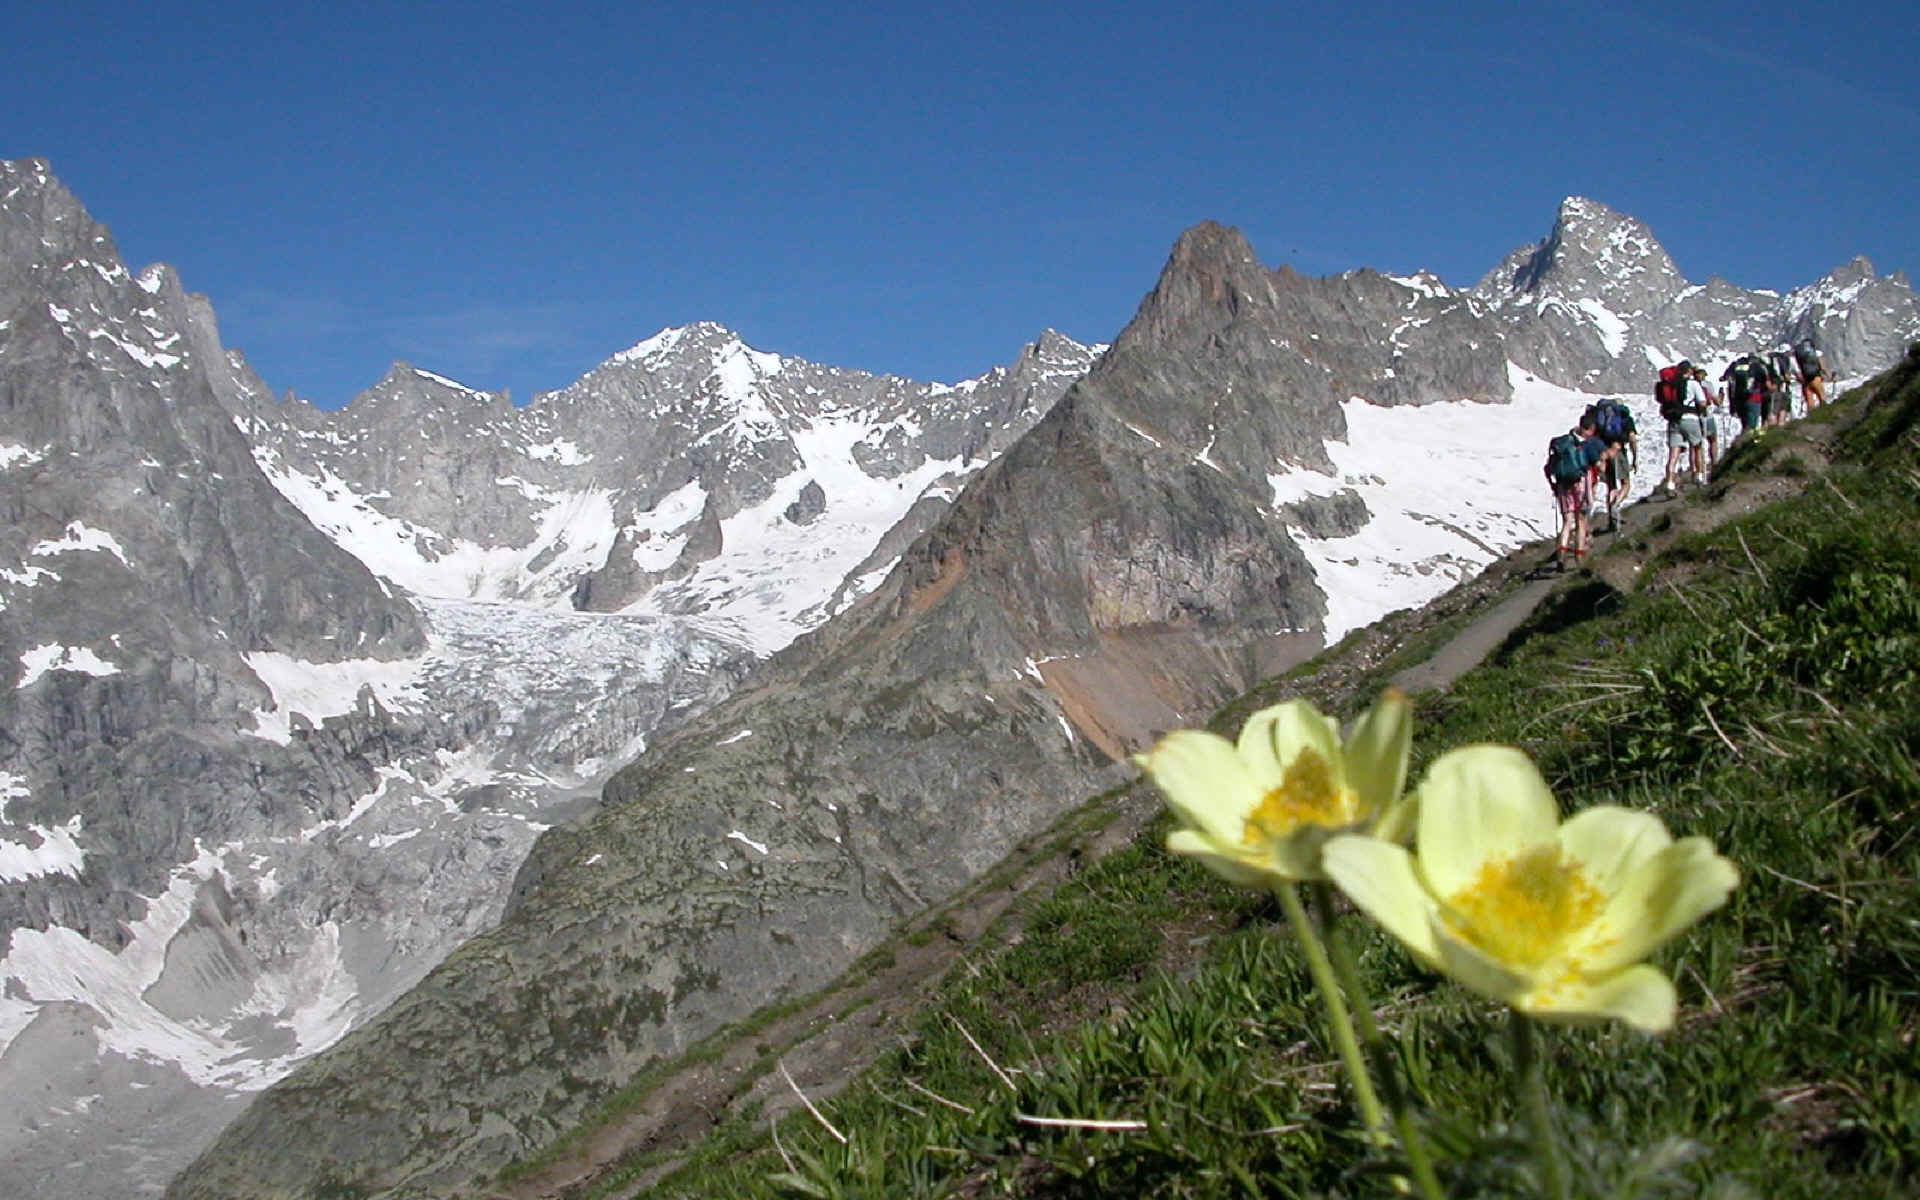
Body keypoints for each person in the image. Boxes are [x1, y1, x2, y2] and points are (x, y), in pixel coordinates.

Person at [1546, 413, 1613, 569]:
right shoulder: (1587, 445)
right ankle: (1579, 556)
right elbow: (1599, 467)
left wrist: (1553, 485)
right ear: (1591, 428)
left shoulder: (1564, 443)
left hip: (1563, 485)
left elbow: (1548, 468)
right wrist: (1603, 461)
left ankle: (1561, 555)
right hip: (1581, 484)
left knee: (1567, 521)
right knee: (1581, 521)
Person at [1583, 395, 1637, 532]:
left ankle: (1612, 521)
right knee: (1625, 483)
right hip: (1618, 450)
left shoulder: (1599, 419)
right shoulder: (1624, 418)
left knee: (1611, 485)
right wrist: (1635, 457)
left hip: (1605, 452)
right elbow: (1632, 438)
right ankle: (1616, 504)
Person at [1660, 367, 1709, 496]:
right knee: (1697, 447)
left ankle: (1670, 483)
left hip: (1674, 421)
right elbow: (1703, 403)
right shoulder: (1693, 384)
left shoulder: (1671, 385)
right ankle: (1698, 476)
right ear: (1689, 372)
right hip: (1690, 419)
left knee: (1673, 455)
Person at [1721, 351, 1768, 435]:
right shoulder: (1757, 366)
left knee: (1744, 423)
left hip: (1738, 398)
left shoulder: (1735, 365)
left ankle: (1745, 437)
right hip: (1753, 397)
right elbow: (1765, 380)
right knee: (1752, 423)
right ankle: (1751, 440)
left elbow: (1725, 377)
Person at [1793, 337, 1829, 412]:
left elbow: (1797, 369)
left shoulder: (1799, 355)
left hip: (1806, 380)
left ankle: (1811, 416)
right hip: (1816, 378)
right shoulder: (1817, 353)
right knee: (1822, 397)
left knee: (1810, 403)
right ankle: (1825, 413)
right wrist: (1827, 374)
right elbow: (1822, 366)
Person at [1767, 344, 1796, 427]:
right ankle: (1780, 424)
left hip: (1774, 386)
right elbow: (1786, 375)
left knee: (1774, 408)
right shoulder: (1783, 360)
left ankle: (1773, 426)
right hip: (1782, 386)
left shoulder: (1772, 359)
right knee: (1783, 406)